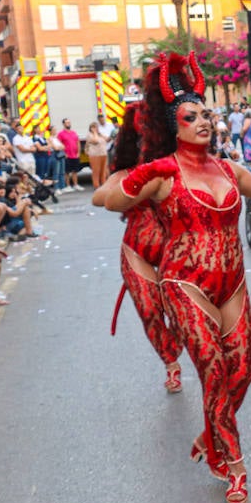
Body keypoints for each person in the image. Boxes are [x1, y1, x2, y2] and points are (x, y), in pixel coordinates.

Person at [104, 52, 251, 503]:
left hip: (231, 283)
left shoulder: (228, 170)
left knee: (243, 371)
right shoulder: (163, 173)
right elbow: (113, 202)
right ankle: (233, 466)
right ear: (174, 126)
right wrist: (140, 176)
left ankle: (209, 437)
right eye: (191, 117)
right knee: (213, 372)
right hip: (183, 283)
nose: (203, 122)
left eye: (206, 114)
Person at [93, 105, 182, 393]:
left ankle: (176, 348)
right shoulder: (127, 173)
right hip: (136, 251)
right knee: (149, 310)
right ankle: (171, 365)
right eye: (140, 137)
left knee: (182, 310)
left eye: (151, 136)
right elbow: (99, 197)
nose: (147, 142)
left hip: (178, 251)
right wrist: (126, 188)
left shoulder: (179, 167)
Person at [56, 119, 82, 191]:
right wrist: (64, 153)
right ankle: (68, 186)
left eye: (69, 122)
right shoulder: (61, 134)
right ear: (63, 124)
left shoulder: (74, 132)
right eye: (67, 123)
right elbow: (59, 144)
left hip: (75, 155)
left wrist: (78, 152)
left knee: (75, 171)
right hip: (67, 156)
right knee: (67, 172)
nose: (68, 124)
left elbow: (78, 142)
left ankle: (76, 185)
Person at [86, 121, 110, 188]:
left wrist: (110, 135)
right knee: (96, 171)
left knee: (104, 171)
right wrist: (94, 132)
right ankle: (96, 185)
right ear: (91, 128)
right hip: (95, 155)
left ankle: (104, 184)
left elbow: (107, 139)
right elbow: (95, 141)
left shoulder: (100, 134)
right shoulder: (90, 135)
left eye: (97, 127)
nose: (96, 128)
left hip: (103, 154)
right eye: (94, 127)